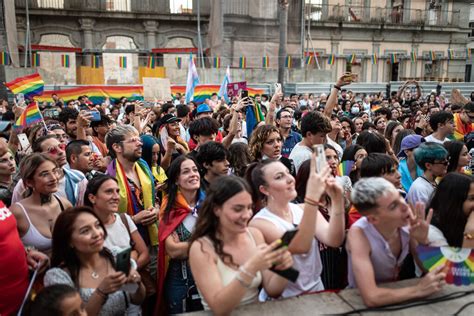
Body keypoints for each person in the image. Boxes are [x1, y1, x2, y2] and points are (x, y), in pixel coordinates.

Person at [189, 176, 293, 314]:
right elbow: (219, 308)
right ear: (216, 209)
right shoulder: (201, 248)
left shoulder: (255, 235)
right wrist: (251, 267)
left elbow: (273, 290)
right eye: (238, 209)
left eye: (249, 208)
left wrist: (285, 268)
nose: (246, 215)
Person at [248, 155, 345, 298]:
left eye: (288, 173)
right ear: (265, 190)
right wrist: (312, 197)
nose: (290, 179)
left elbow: (334, 240)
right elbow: (301, 246)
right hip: (286, 300)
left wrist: (337, 200)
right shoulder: (260, 223)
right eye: (279, 177)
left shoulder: (303, 209)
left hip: (316, 291)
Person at [346, 177, 446, 307]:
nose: (405, 205)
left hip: (395, 292)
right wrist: (418, 290)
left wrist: (424, 242)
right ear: (373, 219)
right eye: (393, 206)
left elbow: (431, 269)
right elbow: (371, 297)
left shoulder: (406, 223)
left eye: (399, 197)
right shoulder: (359, 233)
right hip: (355, 302)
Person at [44, 207, 146, 315]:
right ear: (69, 241)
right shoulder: (59, 276)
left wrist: (137, 283)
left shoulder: (115, 257)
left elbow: (136, 299)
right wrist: (101, 292)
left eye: (97, 225)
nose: (97, 233)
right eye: (85, 231)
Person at [105, 125, 159, 278]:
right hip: (125, 246)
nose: (140, 143)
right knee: (131, 289)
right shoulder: (109, 177)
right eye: (133, 140)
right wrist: (133, 220)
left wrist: (155, 208)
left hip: (151, 238)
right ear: (117, 147)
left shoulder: (143, 166)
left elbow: (153, 197)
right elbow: (104, 219)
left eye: (139, 139)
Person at [157, 156, 206, 314]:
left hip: (208, 276)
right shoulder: (169, 207)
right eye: (186, 172)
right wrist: (207, 241)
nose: (193, 174)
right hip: (179, 280)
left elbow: (222, 242)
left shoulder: (209, 205)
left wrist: (184, 246)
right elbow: (173, 251)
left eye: (195, 170)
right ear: (177, 180)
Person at [10, 154, 72, 254]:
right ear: (29, 182)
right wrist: (26, 252)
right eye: (44, 174)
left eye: (54, 171)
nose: (53, 178)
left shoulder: (65, 205)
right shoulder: (17, 212)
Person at [12, 135, 88, 206]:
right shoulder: (24, 184)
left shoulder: (79, 178)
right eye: (52, 150)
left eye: (61, 147)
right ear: (39, 155)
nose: (61, 152)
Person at [427, 173, 474, 248]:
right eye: (472, 198)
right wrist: (470, 234)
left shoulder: (461, 221)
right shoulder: (431, 233)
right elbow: (456, 260)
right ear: (453, 201)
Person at [406, 142, 449, 207]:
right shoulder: (420, 189)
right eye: (444, 162)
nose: (447, 164)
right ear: (428, 165)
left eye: (447, 160)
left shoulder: (433, 181)